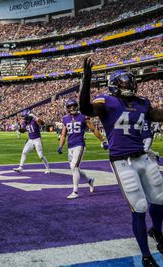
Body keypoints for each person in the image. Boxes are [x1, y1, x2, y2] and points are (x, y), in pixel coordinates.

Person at [79, 57, 163, 267]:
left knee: (160, 199)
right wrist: (86, 81)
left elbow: (157, 115)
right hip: (122, 161)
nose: (128, 86)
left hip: (143, 156)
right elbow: (86, 110)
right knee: (140, 205)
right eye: (124, 83)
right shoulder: (107, 101)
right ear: (115, 86)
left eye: (129, 82)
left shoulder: (143, 103)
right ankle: (146, 255)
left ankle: (157, 232)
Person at [57, 98, 108, 199]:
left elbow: (93, 129)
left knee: (74, 167)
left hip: (79, 145)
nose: (72, 108)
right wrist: (60, 146)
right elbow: (63, 134)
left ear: (77, 106)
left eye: (74, 106)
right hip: (70, 146)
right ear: (67, 108)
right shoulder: (65, 119)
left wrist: (102, 141)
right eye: (70, 106)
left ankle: (75, 191)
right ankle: (89, 180)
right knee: (75, 168)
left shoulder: (83, 117)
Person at [13, 109, 51, 174]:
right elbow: (23, 130)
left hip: (37, 139)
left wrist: (35, 117)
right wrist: (18, 129)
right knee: (24, 152)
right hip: (30, 140)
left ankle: (48, 168)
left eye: (24, 116)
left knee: (41, 156)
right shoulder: (25, 122)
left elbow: (42, 123)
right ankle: (21, 167)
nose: (23, 118)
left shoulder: (34, 120)